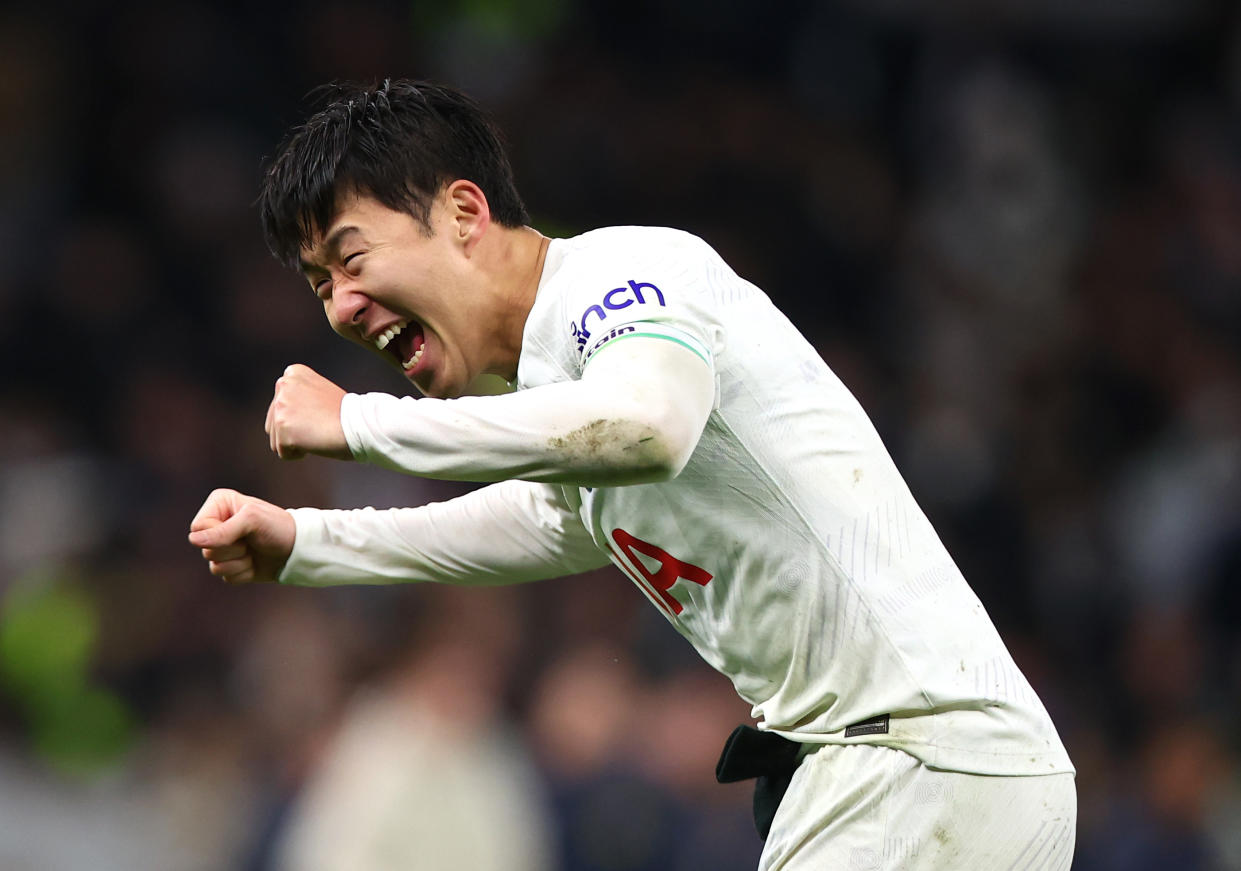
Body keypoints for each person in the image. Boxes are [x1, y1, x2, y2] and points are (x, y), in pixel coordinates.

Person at [188, 79, 1076, 869]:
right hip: (901, 773)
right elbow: (547, 518)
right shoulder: (560, 389)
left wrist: (359, 424)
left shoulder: (626, 275)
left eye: (350, 259)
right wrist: (306, 541)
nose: (341, 305)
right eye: (317, 285)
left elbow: (647, 426)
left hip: (921, 764)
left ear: (463, 212)